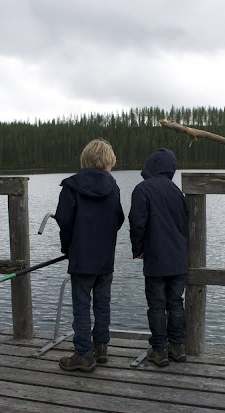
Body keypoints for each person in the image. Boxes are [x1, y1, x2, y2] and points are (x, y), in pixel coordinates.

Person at [55, 139, 124, 373]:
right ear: (108, 162)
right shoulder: (113, 187)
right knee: (103, 304)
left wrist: (68, 248)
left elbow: (64, 221)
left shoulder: (71, 186)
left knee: (82, 306)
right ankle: (101, 347)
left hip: (81, 258)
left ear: (85, 160)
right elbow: (118, 218)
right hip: (105, 258)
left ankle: (83, 354)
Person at [129, 148, 189, 367]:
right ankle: (178, 347)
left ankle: (160, 350)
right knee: (176, 303)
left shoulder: (142, 189)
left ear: (151, 165)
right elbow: (186, 224)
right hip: (179, 259)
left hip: (155, 258)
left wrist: (138, 249)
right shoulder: (177, 192)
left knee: (156, 306)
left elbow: (137, 222)